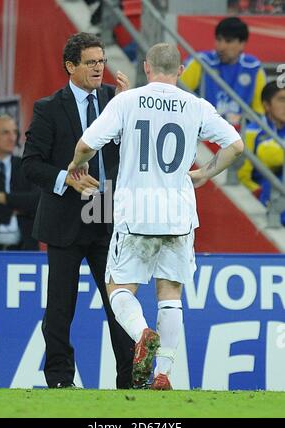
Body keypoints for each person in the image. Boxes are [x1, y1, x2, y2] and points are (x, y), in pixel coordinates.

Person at [68, 43, 244, 390]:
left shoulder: (127, 101)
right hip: (179, 214)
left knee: (118, 288)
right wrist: (205, 173)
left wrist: (76, 165)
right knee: (170, 293)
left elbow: (87, 144)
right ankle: (163, 374)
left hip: (136, 211)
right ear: (180, 71)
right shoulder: (196, 106)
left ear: (146, 68)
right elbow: (235, 146)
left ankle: (141, 332)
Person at [22, 32, 134, 389]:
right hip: (66, 215)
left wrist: (129, 107)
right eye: (91, 62)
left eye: (102, 61)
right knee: (60, 306)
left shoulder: (116, 103)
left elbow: (128, 153)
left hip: (105, 211)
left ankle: (130, 381)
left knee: (119, 304)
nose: (99, 68)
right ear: (71, 66)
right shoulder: (48, 108)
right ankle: (59, 379)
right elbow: (31, 164)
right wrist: (65, 179)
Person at [179, 16, 266, 126]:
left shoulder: (253, 67)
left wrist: (243, 120)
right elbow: (177, 97)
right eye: (219, 39)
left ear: (242, 44)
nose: (221, 46)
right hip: (203, 133)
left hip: (240, 134)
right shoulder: (201, 62)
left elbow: (260, 112)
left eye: (228, 41)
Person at [0, 114, 39, 250]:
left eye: (15, 132)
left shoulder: (26, 165)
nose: (12, 138)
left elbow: (37, 201)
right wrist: (17, 208)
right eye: (5, 132)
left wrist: (3, 198)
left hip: (25, 249)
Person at [238, 81, 285, 222]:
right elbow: (243, 174)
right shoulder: (252, 132)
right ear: (266, 105)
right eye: (282, 100)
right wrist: (257, 192)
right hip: (265, 196)